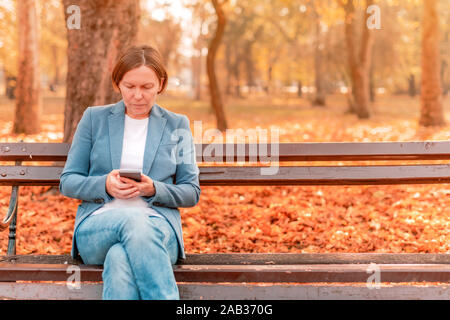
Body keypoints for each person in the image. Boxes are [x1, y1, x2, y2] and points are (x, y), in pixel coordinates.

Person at [59, 45, 201, 300]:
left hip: (158, 232)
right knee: (133, 222)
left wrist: (154, 189)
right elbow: (68, 181)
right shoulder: (94, 119)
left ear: (161, 83)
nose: (138, 95)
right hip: (98, 229)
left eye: (147, 87)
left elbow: (191, 192)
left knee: (119, 258)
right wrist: (105, 185)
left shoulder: (177, 124)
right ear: (117, 84)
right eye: (130, 86)